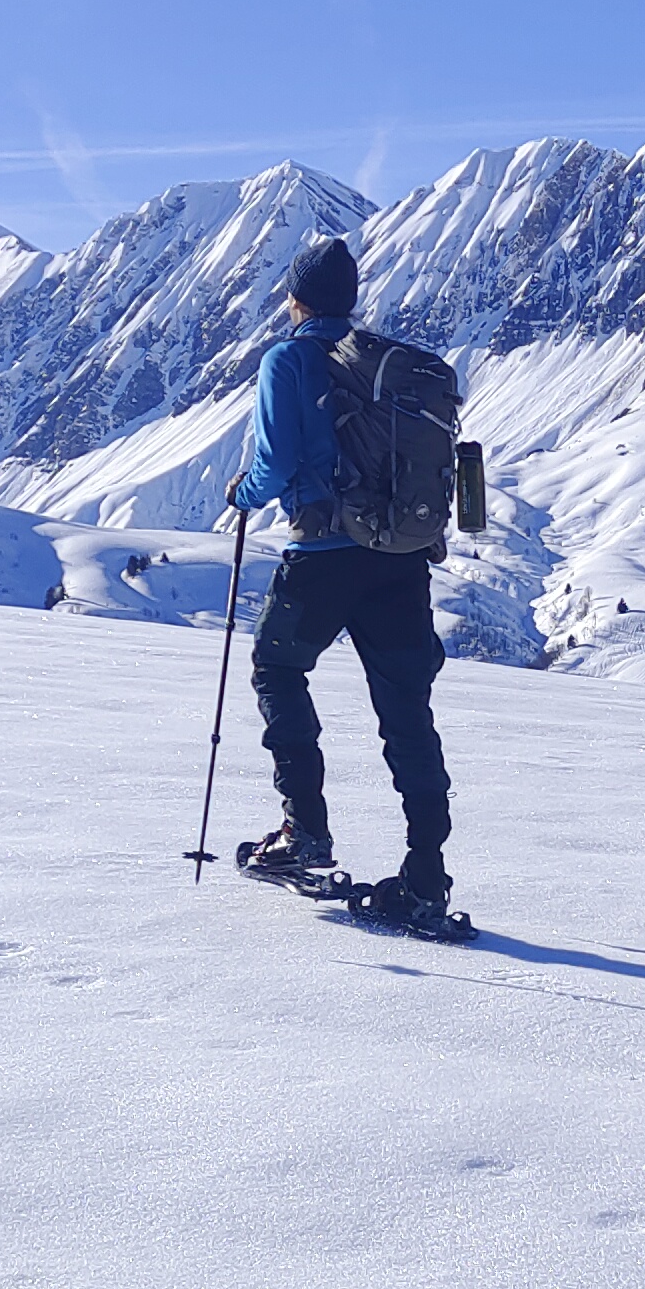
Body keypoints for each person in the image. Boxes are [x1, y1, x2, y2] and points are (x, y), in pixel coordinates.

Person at [229, 234, 455, 923]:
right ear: (351, 302)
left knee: (277, 669)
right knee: (408, 717)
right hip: (400, 562)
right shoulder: (384, 364)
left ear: (295, 299)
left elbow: (274, 462)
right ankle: (425, 879)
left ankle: (306, 832)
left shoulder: (289, 360)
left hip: (323, 559)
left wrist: (242, 496)